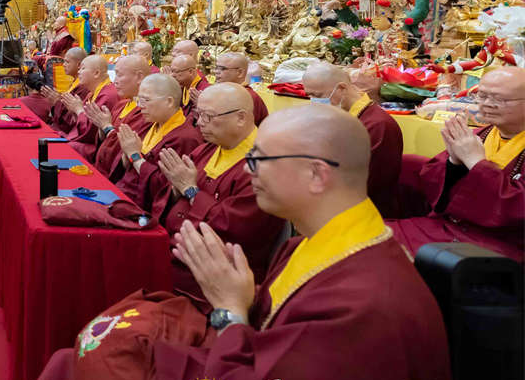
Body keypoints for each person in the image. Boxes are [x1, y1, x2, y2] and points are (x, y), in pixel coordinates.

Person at [6, 105, 451, 380]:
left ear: (317, 174)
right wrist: (237, 299)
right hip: (249, 377)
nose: (249, 170)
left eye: (260, 159)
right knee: (80, 365)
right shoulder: (319, 244)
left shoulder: (364, 304)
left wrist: (228, 312)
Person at [127, 83, 285, 299]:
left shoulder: (262, 169)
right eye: (198, 114)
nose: (199, 122)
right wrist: (175, 188)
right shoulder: (207, 149)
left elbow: (235, 229)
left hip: (209, 277)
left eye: (208, 116)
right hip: (171, 248)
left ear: (240, 118)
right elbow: (170, 192)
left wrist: (190, 190)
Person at [388, 66, 525, 260]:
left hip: (497, 244)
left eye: (499, 99)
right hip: (450, 228)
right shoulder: (481, 134)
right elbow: (431, 182)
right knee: (370, 238)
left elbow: (517, 210)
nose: (487, 104)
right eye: (482, 96)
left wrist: (476, 162)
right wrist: (454, 162)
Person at [302, 60, 402, 217]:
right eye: (309, 96)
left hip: (363, 212)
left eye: (318, 96)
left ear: (341, 88)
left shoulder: (378, 125)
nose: (313, 102)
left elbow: (364, 184)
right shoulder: (337, 117)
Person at [111, 73, 202, 199]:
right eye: (139, 100)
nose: (140, 106)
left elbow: (163, 189)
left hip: (138, 203)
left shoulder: (185, 138)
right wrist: (127, 153)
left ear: (169, 102)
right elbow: (129, 164)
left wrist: (134, 155)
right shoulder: (151, 123)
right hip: (122, 189)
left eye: (146, 100)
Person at [71, 55, 151, 175]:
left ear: (139, 77)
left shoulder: (146, 112)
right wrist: (102, 127)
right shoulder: (122, 104)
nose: (115, 81)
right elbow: (103, 141)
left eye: (119, 75)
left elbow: (124, 150)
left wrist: (106, 126)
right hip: (101, 164)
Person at [209, 50, 267, 123]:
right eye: (216, 67)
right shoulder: (220, 92)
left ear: (240, 72)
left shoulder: (249, 97)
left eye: (222, 69)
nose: (216, 72)